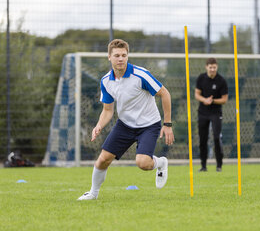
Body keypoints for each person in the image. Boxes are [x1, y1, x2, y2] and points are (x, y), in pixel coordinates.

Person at [78, 39, 174, 200]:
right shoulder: (106, 81)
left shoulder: (140, 75)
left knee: (143, 163)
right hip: (125, 125)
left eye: (124, 55)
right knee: (103, 160)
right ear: (109, 57)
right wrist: (99, 125)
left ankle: (161, 163)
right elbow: (108, 110)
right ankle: (93, 193)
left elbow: (165, 93)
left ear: (128, 56)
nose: (120, 58)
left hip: (149, 125)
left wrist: (168, 124)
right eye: (116, 55)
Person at [195, 58, 228, 172]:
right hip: (203, 113)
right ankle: (203, 166)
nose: (212, 69)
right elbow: (197, 94)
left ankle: (219, 165)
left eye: (214, 67)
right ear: (206, 67)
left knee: (216, 137)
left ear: (217, 67)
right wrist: (205, 100)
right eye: (210, 67)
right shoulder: (201, 78)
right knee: (202, 139)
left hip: (215, 113)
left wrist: (212, 101)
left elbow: (224, 99)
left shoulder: (221, 81)